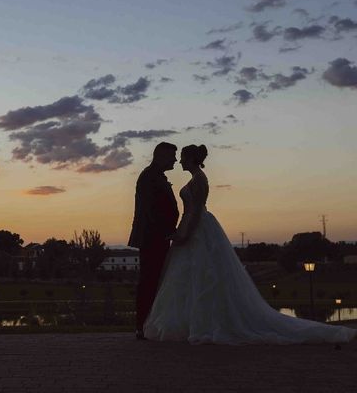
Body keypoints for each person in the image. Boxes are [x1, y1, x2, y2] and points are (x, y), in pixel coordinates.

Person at [144, 144, 356, 344]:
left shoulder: (200, 179)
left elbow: (197, 211)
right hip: (190, 227)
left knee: (204, 277)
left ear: (190, 159)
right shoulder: (195, 178)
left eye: (182, 158)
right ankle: (191, 324)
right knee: (190, 279)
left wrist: (184, 234)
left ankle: (205, 325)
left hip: (197, 230)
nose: (179, 162)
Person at [128, 142, 179, 340]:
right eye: (172, 156)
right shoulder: (149, 177)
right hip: (153, 237)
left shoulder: (156, 176)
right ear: (161, 156)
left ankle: (149, 323)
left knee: (155, 281)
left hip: (159, 236)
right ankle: (142, 326)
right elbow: (151, 210)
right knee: (149, 281)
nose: (175, 160)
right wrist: (166, 231)